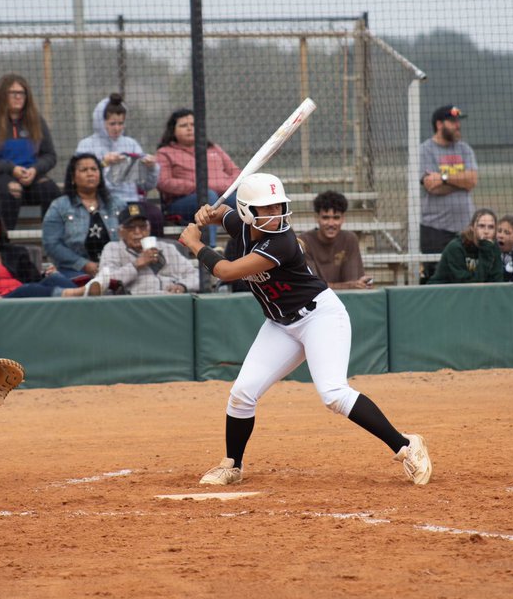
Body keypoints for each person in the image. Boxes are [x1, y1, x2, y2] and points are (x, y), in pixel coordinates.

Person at [177, 172, 432, 487]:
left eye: (278, 206)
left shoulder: (281, 241)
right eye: (266, 208)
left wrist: (194, 243)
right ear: (248, 213)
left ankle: (407, 446)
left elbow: (227, 271)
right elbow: (224, 214)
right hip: (280, 325)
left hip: (320, 317)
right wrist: (208, 214)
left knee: (333, 394)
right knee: (242, 394)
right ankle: (233, 464)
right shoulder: (243, 227)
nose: (275, 214)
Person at [0, 73, 62, 231]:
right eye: (13, 93)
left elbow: (50, 156)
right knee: (12, 190)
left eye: (22, 93)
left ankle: (52, 242)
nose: (18, 97)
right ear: (2, 95)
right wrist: (11, 169)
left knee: (50, 190)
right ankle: (4, 244)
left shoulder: (36, 121)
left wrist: (35, 169)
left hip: (28, 178)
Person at [0, 207, 100, 298]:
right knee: (25, 289)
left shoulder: (15, 251)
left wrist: (46, 275)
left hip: (25, 295)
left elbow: (34, 279)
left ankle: (85, 298)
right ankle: (79, 293)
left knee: (55, 278)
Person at [76, 92, 164, 238]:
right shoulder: (86, 146)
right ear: (100, 122)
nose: (117, 128)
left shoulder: (131, 144)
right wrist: (104, 164)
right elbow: (81, 180)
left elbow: (146, 186)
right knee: (118, 217)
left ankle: (154, 255)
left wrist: (151, 168)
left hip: (132, 200)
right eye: (112, 124)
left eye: (120, 123)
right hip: (103, 201)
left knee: (154, 215)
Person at [42, 153, 124, 281]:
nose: (90, 173)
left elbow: (129, 234)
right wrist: (83, 264)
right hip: (74, 271)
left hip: (116, 269)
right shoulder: (59, 206)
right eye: (84, 170)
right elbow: (52, 244)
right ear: (73, 178)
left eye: (94, 169)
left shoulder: (117, 204)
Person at [419, 105, 478, 277]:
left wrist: (443, 178)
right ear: (439, 124)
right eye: (452, 121)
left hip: (465, 228)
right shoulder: (425, 150)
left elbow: (472, 180)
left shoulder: (464, 149)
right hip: (435, 230)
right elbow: (431, 186)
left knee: (466, 275)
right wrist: (461, 181)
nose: (457, 125)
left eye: (458, 121)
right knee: (437, 275)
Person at [156, 107, 241, 224]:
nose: (190, 128)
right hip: (183, 203)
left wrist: (224, 185)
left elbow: (235, 172)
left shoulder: (213, 148)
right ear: (173, 130)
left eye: (193, 124)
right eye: (183, 125)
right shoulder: (165, 152)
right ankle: (209, 243)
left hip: (221, 195)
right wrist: (197, 187)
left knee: (243, 199)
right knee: (207, 197)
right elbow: (163, 182)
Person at [95, 202, 197, 295]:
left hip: (173, 300)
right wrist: (136, 264)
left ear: (149, 229)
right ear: (120, 232)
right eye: (131, 227)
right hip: (138, 302)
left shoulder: (167, 248)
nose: (138, 231)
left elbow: (196, 275)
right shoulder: (113, 249)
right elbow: (104, 282)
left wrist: (182, 286)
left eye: (142, 226)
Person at [298, 190, 372, 290]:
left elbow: (354, 282)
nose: (331, 223)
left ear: (343, 219)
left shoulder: (350, 239)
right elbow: (313, 286)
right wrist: (351, 285)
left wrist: (360, 284)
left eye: (336, 218)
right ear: (317, 218)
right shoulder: (304, 241)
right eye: (325, 218)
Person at [430, 208, 503, 284]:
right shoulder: (456, 247)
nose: (486, 231)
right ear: (472, 227)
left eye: (491, 227)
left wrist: (487, 249)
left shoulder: (492, 247)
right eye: (481, 226)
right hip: (442, 291)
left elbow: (497, 280)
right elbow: (466, 284)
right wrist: (486, 253)